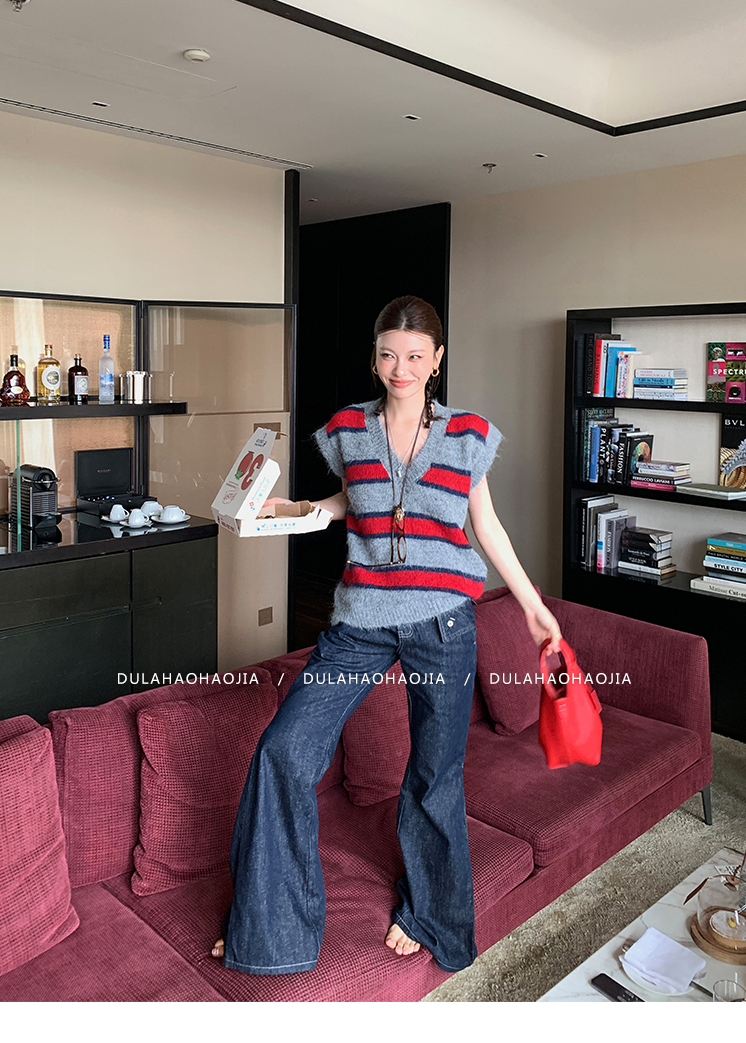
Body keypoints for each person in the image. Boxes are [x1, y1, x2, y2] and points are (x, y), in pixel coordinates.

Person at [212, 295, 562, 976]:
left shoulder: (468, 435)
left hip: (444, 622)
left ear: (437, 359)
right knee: (283, 749)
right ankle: (269, 928)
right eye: (388, 354)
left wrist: (532, 604)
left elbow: (485, 525)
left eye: (415, 355)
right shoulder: (348, 428)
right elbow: (354, 500)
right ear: (374, 358)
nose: (401, 368)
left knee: (434, 776)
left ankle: (430, 915)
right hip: (360, 622)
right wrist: (295, 507)